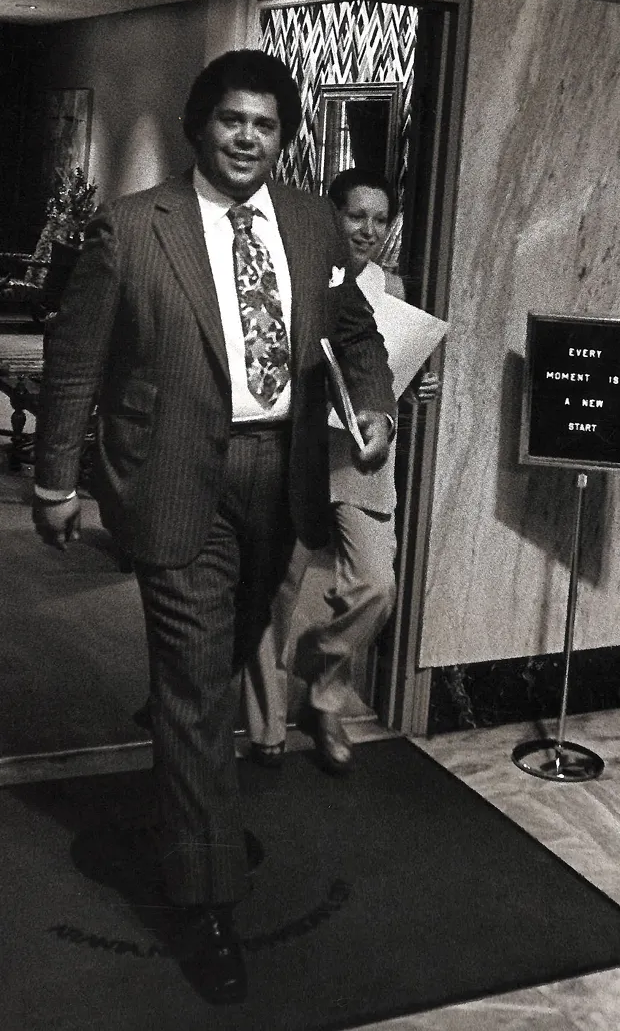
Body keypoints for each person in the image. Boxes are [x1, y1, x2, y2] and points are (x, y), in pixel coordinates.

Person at [32, 53, 395, 1006]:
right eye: (233, 121)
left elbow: (353, 329)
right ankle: (207, 902)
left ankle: (178, 726)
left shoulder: (314, 221)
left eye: (267, 125)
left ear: (285, 137)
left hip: (285, 478)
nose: (248, 138)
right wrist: (55, 479)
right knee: (199, 691)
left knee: (226, 654)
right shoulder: (132, 226)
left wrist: (374, 401)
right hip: (174, 477)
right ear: (201, 127)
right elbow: (76, 359)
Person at [243, 167, 440, 775]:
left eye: (381, 220)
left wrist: (415, 389)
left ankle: (322, 689)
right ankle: (267, 718)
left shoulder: (395, 286)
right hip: (299, 449)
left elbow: (390, 369)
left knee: (375, 586)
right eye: (358, 216)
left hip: (361, 456)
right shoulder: (296, 270)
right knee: (274, 586)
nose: (369, 230)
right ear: (332, 215)